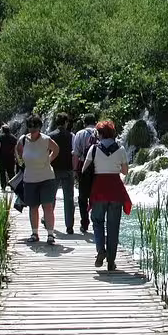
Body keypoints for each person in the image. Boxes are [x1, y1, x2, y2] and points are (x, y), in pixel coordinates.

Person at [81, 120, 132, 271]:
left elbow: (85, 169)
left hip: (99, 189)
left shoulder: (94, 149)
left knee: (97, 221)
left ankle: (100, 250)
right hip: (115, 189)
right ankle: (111, 261)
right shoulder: (121, 149)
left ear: (100, 134)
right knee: (113, 226)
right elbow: (125, 172)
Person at [16, 114, 60, 244]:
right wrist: (22, 160)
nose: (32, 130)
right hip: (29, 179)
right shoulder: (23, 140)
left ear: (40, 127)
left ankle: (50, 234)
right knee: (33, 207)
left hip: (46, 177)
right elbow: (18, 150)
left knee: (47, 206)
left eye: (35, 127)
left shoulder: (47, 139)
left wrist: (50, 159)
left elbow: (56, 149)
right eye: (30, 127)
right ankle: (34, 233)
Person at [48, 112, 76, 234]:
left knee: (51, 197)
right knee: (69, 199)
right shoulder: (71, 136)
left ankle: (49, 222)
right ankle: (69, 226)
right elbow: (74, 153)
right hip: (68, 169)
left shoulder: (50, 136)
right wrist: (75, 170)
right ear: (65, 122)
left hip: (53, 170)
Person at [73, 113, 98, 233]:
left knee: (83, 197)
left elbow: (76, 154)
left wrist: (75, 171)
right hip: (99, 168)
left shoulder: (80, 134)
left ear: (84, 123)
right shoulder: (100, 132)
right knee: (97, 196)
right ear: (95, 122)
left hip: (84, 167)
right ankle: (97, 221)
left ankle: (84, 223)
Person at [0, 124, 17, 191]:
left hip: (1, 157)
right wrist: (16, 158)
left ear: (2, 129)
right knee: (11, 172)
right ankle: (13, 187)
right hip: (11, 158)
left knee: (2, 172)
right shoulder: (14, 138)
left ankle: (3, 187)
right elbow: (15, 149)